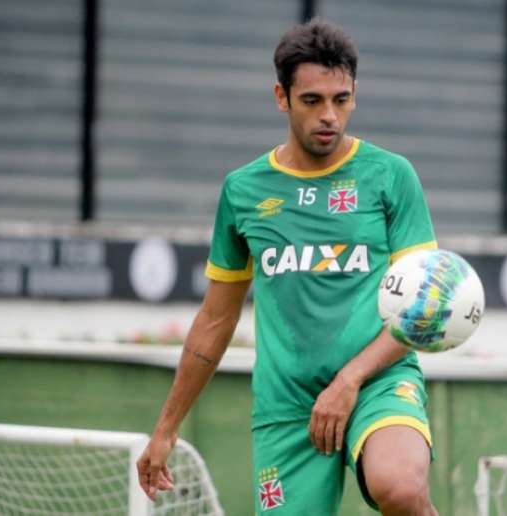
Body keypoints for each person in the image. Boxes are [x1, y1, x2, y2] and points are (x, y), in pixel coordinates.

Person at [137, 18, 439, 516]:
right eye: (312, 100)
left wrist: (349, 381)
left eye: (341, 100)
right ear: (282, 97)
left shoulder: (391, 176)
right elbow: (215, 319)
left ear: (355, 95)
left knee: (401, 488)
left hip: (376, 381)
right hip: (288, 403)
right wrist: (166, 429)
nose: (329, 117)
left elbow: (421, 306)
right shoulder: (243, 190)